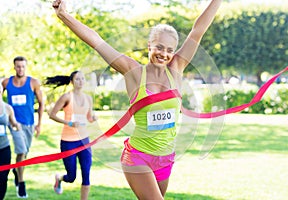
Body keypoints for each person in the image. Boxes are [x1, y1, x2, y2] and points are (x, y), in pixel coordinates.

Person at [52, 0, 222, 199]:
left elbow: (197, 31)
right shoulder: (133, 72)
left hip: (166, 159)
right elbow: (97, 41)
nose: (164, 54)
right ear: (149, 46)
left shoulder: (176, 69)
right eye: (159, 47)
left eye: (169, 50)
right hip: (138, 157)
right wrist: (64, 15)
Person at [47, 71, 97, 200]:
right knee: (71, 177)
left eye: (82, 79)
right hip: (68, 142)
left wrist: (93, 118)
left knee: (86, 174)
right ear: (72, 82)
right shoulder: (66, 97)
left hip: (84, 141)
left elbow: (89, 118)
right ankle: (60, 178)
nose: (80, 81)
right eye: (77, 79)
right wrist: (68, 123)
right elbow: (52, 114)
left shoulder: (88, 98)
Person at [1, 56, 44, 198]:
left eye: (23, 66)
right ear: (14, 67)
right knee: (21, 150)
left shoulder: (33, 82)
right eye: (18, 66)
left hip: (29, 123)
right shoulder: (7, 82)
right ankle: (21, 183)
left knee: (25, 153)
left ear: (26, 67)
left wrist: (39, 124)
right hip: (14, 123)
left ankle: (16, 170)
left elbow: (41, 103)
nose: (20, 69)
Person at [0, 84, 22, 200]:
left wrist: (17, 126)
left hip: (4, 148)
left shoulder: (7, 108)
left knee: (3, 177)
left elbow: (13, 123)